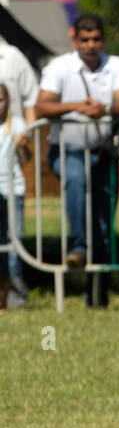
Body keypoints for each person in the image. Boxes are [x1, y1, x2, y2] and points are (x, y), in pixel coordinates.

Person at [34, 13, 119, 306]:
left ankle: (98, 292)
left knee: (104, 223)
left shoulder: (116, 64)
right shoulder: (59, 67)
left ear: (103, 39)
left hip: (103, 152)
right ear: (73, 38)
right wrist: (80, 106)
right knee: (75, 178)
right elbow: (42, 106)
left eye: (96, 39)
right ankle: (78, 244)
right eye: (84, 39)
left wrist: (106, 109)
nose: (91, 45)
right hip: (67, 150)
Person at [0, 83, 31, 313]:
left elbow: (27, 158)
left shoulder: (17, 124)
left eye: (1, 99)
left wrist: (23, 146)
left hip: (14, 188)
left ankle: (16, 295)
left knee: (15, 242)